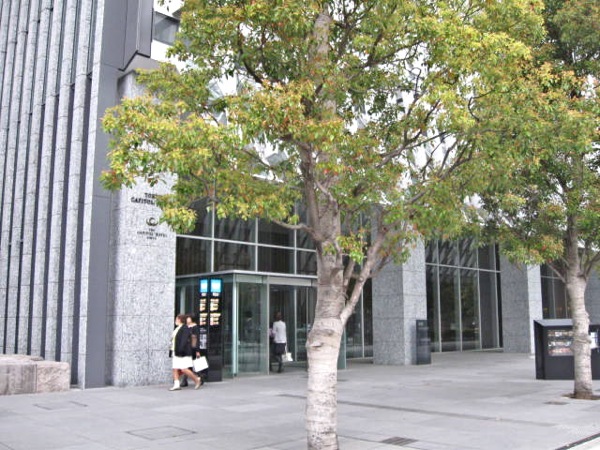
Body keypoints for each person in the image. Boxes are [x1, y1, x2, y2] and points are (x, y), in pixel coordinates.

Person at [169, 314, 201, 391]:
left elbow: (184, 340)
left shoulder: (185, 328)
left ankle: (196, 380)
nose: (175, 320)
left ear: (180, 319)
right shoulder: (177, 328)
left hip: (182, 352)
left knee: (184, 369)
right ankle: (176, 384)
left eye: (176, 319)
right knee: (175, 368)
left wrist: (180, 349)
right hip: (175, 351)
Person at [180, 314, 202, 387]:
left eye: (188, 318)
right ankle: (185, 380)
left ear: (192, 319)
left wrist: (197, 351)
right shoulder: (186, 327)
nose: (187, 320)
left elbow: (197, 339)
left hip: (193, 349)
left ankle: (199, 377)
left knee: (193, 364)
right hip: (187, 348)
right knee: (187, 365)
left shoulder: (195, 327)